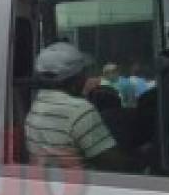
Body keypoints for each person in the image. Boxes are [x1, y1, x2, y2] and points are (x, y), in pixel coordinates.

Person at [25, 42, 124, 170]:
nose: (86, 77)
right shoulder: (79, 109)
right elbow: (113, 163)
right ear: (75, 78)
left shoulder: (37, 104)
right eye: (84, 72)